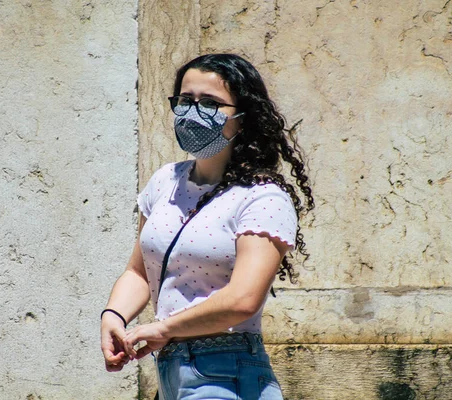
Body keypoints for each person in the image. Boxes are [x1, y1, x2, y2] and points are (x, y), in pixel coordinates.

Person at [101, 53, 314, 399]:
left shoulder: (262, 198)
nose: (194, 112)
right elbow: (139, 272)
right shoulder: (165, 181)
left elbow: (243, 299)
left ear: (242, 119)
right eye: (186, 101)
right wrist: (113, 316)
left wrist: (164, 328)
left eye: (211, 103)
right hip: (170, 370)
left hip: (225, 371)